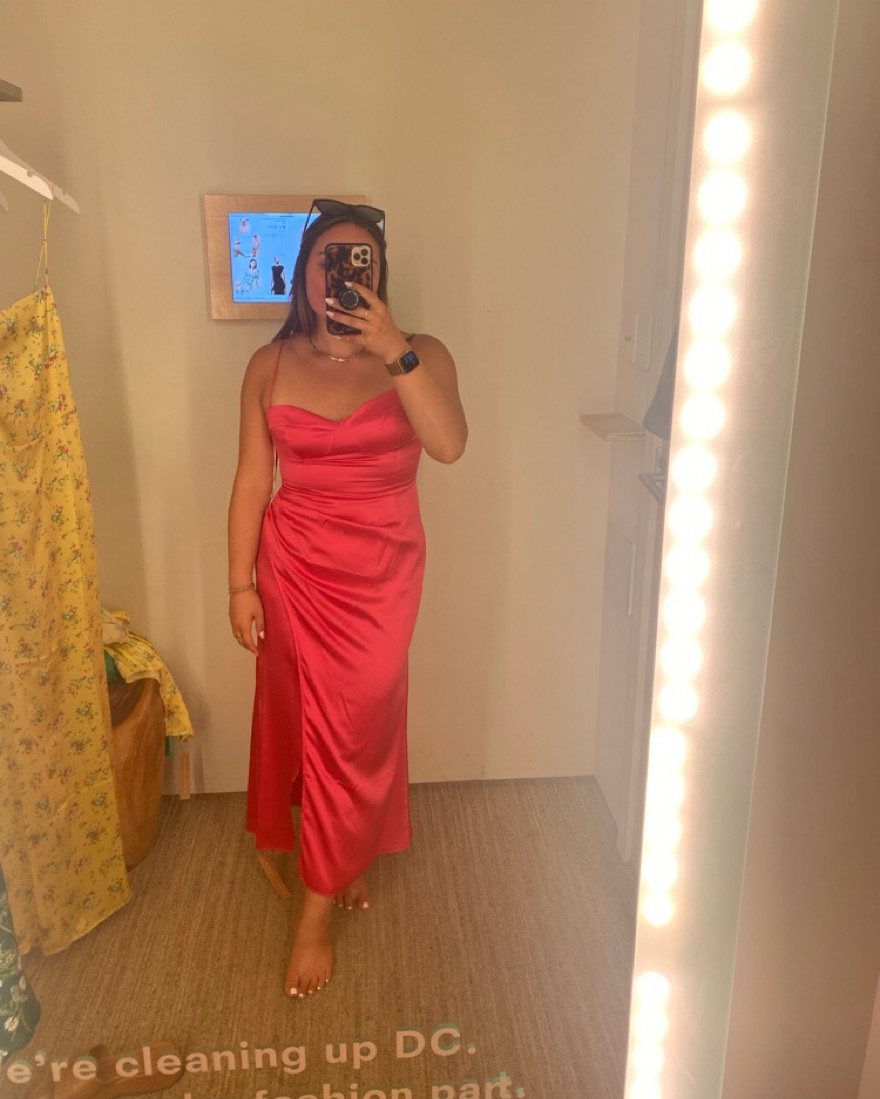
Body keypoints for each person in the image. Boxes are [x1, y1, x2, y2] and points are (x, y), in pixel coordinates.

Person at [227, 200, 467, 1000]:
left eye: (359, 258)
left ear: (379, 273)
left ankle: (317, 900)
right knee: (314, 724)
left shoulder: (421, 352)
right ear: (305, 273)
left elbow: (449, 443)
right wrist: (238, 583)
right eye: (329, 258)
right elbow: (251, 481)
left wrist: (394, 349)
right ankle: (335, 868)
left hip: (381, 572)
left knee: (359, 722)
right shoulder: (268, 364)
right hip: (291, 568)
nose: (342, 272)